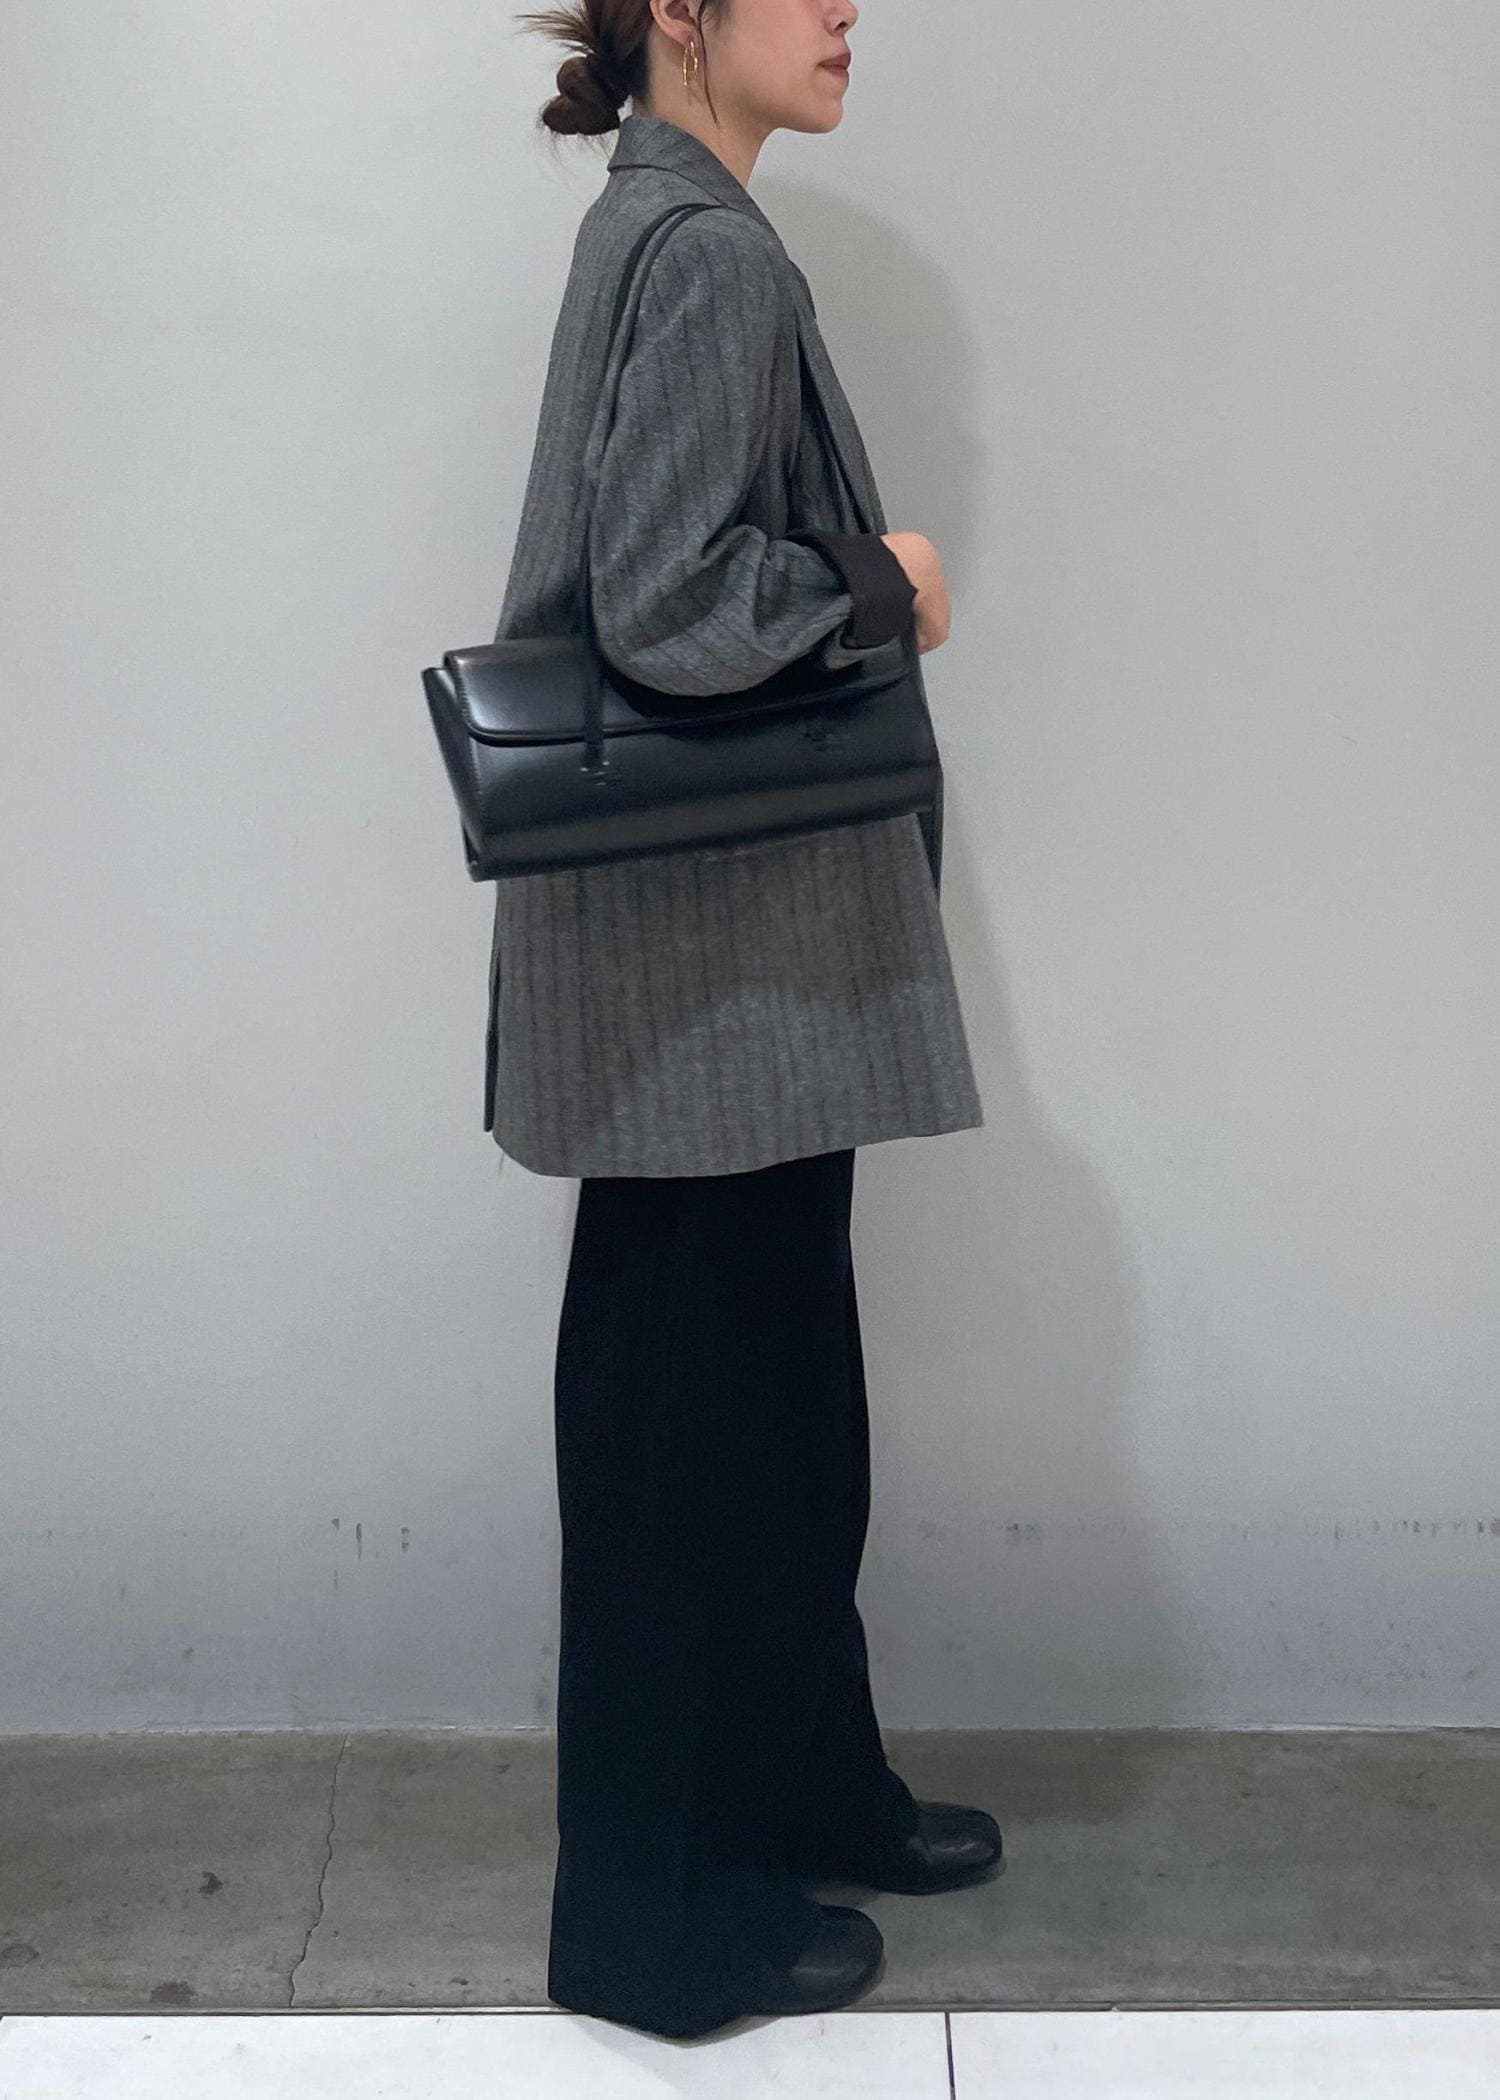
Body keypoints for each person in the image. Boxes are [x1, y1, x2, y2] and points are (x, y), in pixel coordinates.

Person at [496, 0, 1002, 2042]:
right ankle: (649, 1921)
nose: (849, 8)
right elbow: (672, 601)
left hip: (719, 970)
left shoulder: (670, 217)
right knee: (690, 1427)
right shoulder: (702, 249)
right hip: (710, 974)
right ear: (681, 13)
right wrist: (885, 583)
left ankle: (797, 1785)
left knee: (772, 1391)